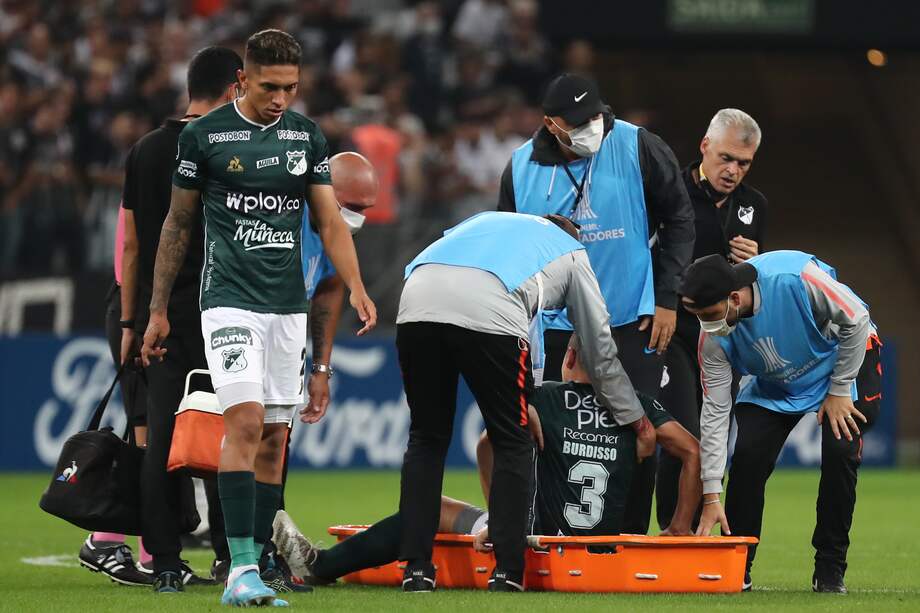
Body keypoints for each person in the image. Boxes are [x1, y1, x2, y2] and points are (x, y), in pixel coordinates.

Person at [140, 29, 376, 608]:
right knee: (242, 422)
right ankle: (240, 567)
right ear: (242, 80)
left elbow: (328, 222)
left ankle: (263, 559)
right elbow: (176, 225)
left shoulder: (306, 137)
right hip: (227, 300)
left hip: (286, 309)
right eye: (270, 86)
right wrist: (155, 309)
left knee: (274, 438)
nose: (280, 99)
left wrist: (358, 286)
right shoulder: (204, 137)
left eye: (290, 88)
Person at [270, 333, 700, 583]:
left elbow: (485, 445)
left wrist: (500, 517)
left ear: (568, 357)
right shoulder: (638, 409)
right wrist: (679, 526)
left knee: (430, 508)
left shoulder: (545, 397)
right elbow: (691, 452)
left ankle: (321, 567)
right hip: (607, 553)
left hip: (537, 541)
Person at [395, 211, 655, 593]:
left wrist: (528, 395)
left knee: (426, 438)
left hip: (416, 300)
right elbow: (598, 350)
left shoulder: (488, 222)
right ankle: (508, 571)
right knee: (512, 439)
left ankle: (416, 569)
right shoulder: (571, 252)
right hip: (491, 309)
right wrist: (636, 419)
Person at [497, 72, 695, 535]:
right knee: (551, 435)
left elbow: (679, 219)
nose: (595, 126)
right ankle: (546, 532)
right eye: (581, 121)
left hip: (630, 318)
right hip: (553, 323)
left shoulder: (637, 145)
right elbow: (508, 249)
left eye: (597, 115)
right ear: (552, 124)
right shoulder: (520, 168)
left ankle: (629, 537)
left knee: (638, 430)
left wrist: (667, 298)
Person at [682, 252, 881, 594]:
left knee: (840, 450)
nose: (706, 325)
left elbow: (857, 316)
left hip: (841, 365)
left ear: (734, 297)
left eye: (710, 314)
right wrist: (712, 493)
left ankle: (830, 569)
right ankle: (738, 566)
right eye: (697, 316)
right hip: (776, 382)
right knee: (747, 456)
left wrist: (838, 389)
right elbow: (715, 413)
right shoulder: (711, 339)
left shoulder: (795, 277)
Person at [121, 46, 244, 594]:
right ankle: (227, 554)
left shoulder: (145, 150)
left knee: (162, 437)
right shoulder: (226, 149)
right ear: (235, 86)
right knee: (227, 432)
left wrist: (130, 323)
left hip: (159, 315)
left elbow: (131, 248)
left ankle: (164, 561)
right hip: (219, 310)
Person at [255, 151, 379, 595]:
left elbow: (327, 292)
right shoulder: (282, 217)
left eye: (367, 208)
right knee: (241, 445)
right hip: (249, 338)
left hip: (286, 348)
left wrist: (321, 368)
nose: (361, 217)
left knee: (273, 450)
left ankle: (254, 551)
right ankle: (238, 553)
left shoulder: (333, 234)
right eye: (355, 205)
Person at [656, 108, 767, 531]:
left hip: (723, 340)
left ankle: (699, 526)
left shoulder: (754, 206)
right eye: (725, 158)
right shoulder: (670, 194)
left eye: (744, 163)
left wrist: (753, 263)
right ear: (705, 146)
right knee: (683, 435)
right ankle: (672, 529)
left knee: (713, 436)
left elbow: (757, 281)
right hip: (675, 334)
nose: (733, 170)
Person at [77, 206, 152, 587]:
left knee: (151, 434)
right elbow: (129, 252)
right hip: (135, 306)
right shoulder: (147, 166)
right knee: (146, 434)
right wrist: (131, 322)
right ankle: (128, 545)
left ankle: (115, 541)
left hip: (153, 305)